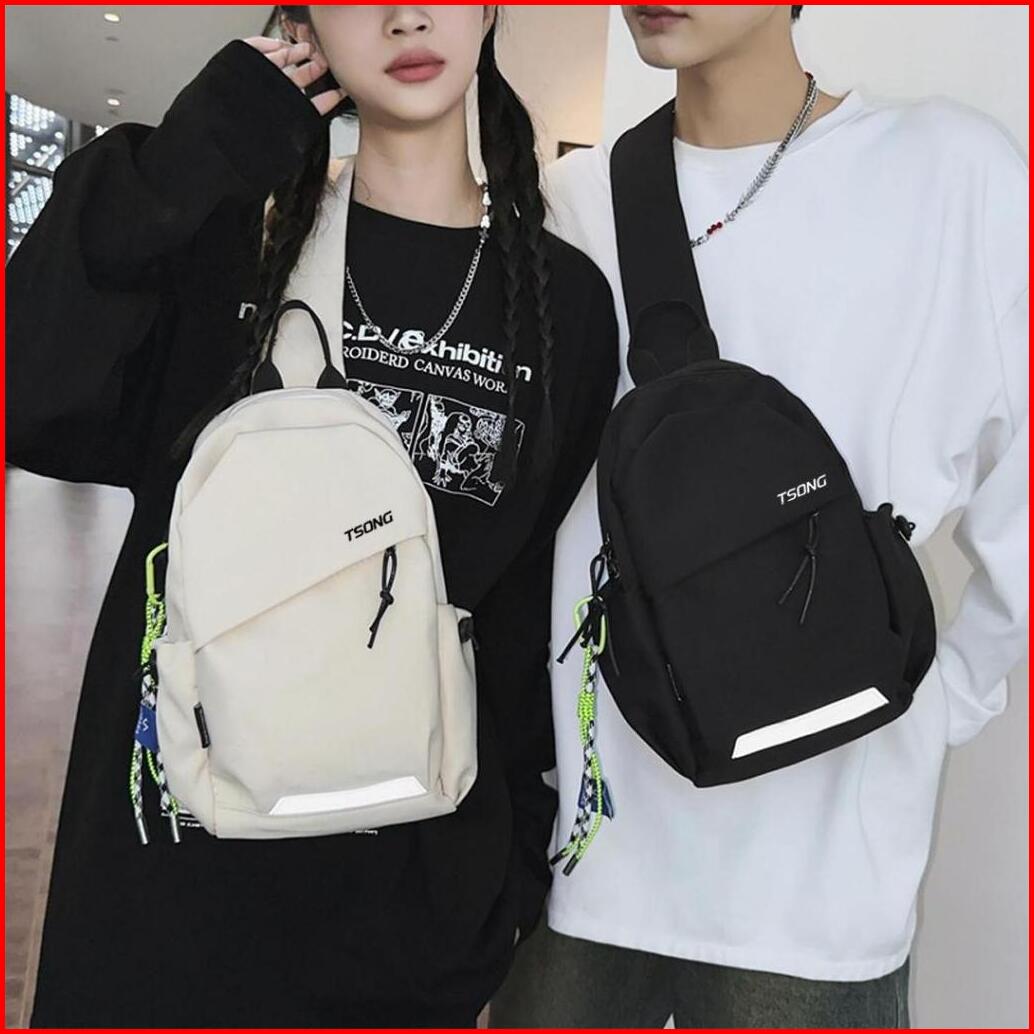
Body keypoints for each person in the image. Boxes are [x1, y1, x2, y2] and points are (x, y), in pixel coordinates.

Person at [6, 6, 618, 1027]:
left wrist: (498, 882)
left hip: (399, 927)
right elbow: (29, 393)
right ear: (302, 21)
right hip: (160, 905)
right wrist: (189, 156)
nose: (407, 15)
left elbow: (523, 625)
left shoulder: (564, 304)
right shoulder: (223, 246)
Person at [490, 4, 1027, 1028]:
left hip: (816, 901)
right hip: (583, 865)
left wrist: (933, 706)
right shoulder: (573, 204)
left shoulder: (951, 179)